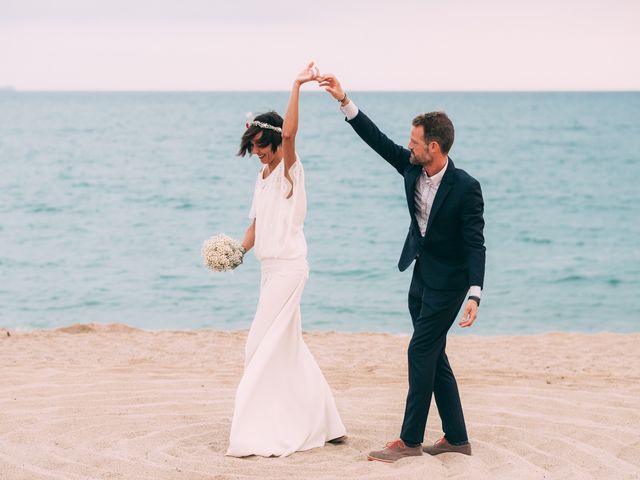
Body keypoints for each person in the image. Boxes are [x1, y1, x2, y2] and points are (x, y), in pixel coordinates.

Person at [318, 73, 485, 463]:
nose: (407, 146)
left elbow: (475, 242)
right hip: (420, 274)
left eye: (414, 141)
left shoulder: (465, 187)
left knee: (419, 351)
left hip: (451, 282)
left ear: (434, 146)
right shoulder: (411, 167)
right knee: (433, 353)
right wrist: (344, 100)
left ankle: (410, 441)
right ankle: (457, 438)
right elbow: (376, 140)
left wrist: (475, 293)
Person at [226, 63, 346, 458]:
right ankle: (327, 421)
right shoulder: (261, 179)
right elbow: (256, 227)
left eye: (262, 144)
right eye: (253, 146)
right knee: (287, 347)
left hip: (290, 269)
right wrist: (236, 253)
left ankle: (256, 430)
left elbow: (291, 131)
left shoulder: (290, 172)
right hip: (268, 270)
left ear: (276, 142)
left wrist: (296, 84)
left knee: (257, 347)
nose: (257, 152)